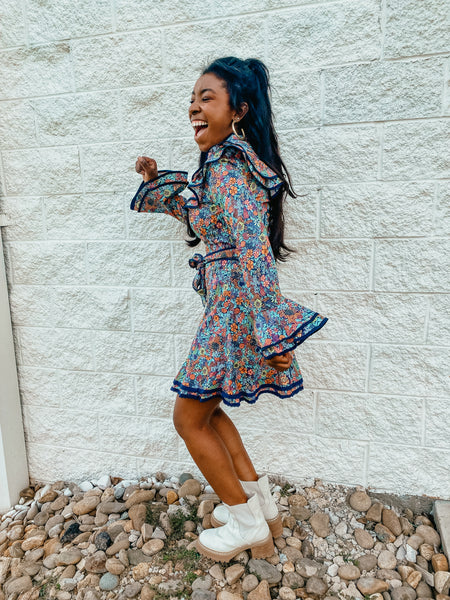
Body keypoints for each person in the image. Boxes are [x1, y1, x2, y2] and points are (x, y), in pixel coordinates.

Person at [131, 57, 328, 562]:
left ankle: (246, 524)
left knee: (188, 418)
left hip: (234, 311)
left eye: (207, 98)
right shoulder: (221, 167)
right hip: (227, 306)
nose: (194, 108)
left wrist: (274, 331)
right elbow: (200, 213)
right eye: (192, 100)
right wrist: (156, 181)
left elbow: (255, 251)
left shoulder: (229, 168)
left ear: (238, 111)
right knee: (209, 408)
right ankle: (260, 506)